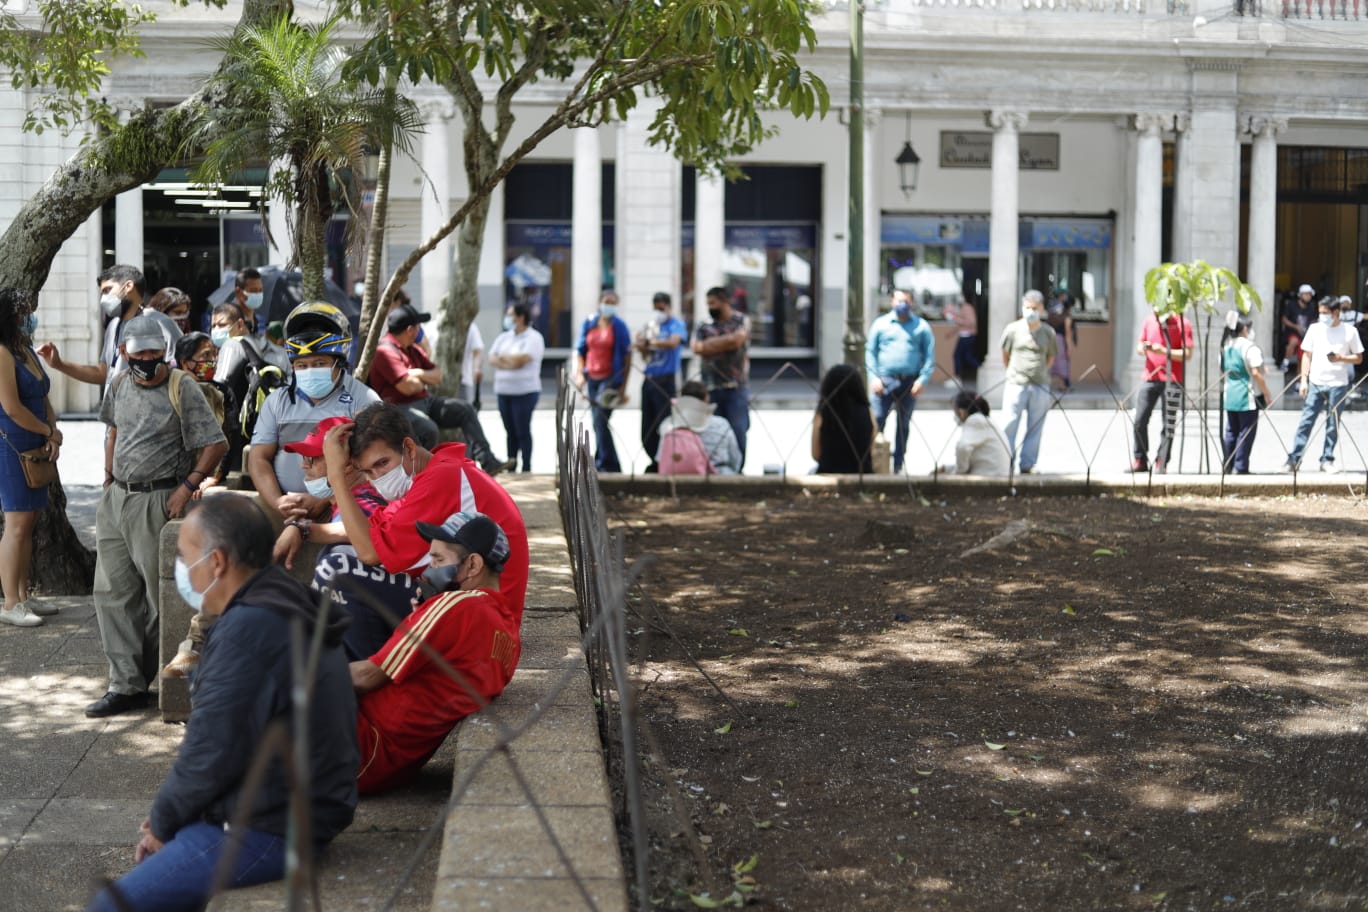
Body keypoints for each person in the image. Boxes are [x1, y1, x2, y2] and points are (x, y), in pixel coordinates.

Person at [85, 496, 358, 912]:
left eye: (184, 555)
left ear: (217, 562)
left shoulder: (250, 629)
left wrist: (162, 823)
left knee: (109, 907)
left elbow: (210, 749)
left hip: (269, 829)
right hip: (295, 808)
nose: (180, 567)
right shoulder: (279, 599)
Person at [88, 314, 227, 718]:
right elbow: (113, 430)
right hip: (118, 498)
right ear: (123, 353)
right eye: (139, 353)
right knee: (112, 593)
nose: (147, 360)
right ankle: (125, 685)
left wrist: (187, 487)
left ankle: (171, 683)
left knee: (158, 597)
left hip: (160, 498)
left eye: (154, 352)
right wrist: (109, 477)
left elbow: (214, 444)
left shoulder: (180, 385)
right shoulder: (118, 383)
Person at [351, 511, 520, 794]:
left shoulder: (459, 605)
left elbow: (367, 676)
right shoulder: (508, 634)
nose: (428, 570)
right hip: (391, 765)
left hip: (360, 744)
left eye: (438, 560)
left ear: (473, 564)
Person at [322, 403, 530, 621]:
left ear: (409, 448)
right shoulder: (426, 475)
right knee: (336, 556)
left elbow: (369, 553)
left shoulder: (441, 478)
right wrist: (302, 529)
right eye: (367, 472)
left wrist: (336, 477)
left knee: (337, 569)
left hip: (485, 618)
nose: (377, 477)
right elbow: (370, 534)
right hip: (472, 603)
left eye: (382, 463)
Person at [271, 416, 416, 661]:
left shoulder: (366, 501)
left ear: (346, 465)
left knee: (336, 562)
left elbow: (364, 533)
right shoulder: (354, 497)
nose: (304, 466)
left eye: (313, 458)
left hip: (400, 633)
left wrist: (302, 528)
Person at [248, 302, 380, 522]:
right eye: (302, 365)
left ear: (339, 363)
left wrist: (324, 499)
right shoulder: (276, 402)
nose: (310, 371)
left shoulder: (363, 399)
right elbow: (259, 457)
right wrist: (278, 502)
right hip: (284, 507)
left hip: (347, 507)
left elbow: (374, 461)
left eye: (319, 363)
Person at [366, 304, 511, 473]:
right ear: (410, 330)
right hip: (400, 408)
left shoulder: (412, 349)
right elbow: (407, 387)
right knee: (428, 429)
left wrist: (418, 373)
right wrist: (421, 380)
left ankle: (487, 460)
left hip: (425, 400)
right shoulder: (384, 352)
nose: (421, 331)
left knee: (464, 409)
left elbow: (438, 375)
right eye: (419, 327)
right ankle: (427, 475)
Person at [0, 289, 61, 628]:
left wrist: (53, 430)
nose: (29, 318)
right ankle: (10, 601)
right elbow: (11, 408)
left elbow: (43, 395)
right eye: (23, 312)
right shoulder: (3, 353)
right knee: (17, 525)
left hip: (37, 443)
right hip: (12, 445)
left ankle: (23, 595)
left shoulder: (26, 351)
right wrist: (46, 431)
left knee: (31, 522)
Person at [36, 264, 182, 395]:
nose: (103, 298)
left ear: (128, 286)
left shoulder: (162, 324)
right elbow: (103, 373)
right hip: (115, 421)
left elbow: (180, 375)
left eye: (108, 290)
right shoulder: (113, 326)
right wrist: (59, 364)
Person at [1285, 296, 1364, 473]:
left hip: (1338, 384)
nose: (1322, 316)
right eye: (1320, 313)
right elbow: (1306, 355)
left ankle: (1326, 459)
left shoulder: (1349, 331)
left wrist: (1340, 358)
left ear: (1336, 313)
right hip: (1316, 382)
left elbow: (1359, 357)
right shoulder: (1314, 329)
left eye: (1325, 313)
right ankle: (1294, 458)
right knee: (1306, 421)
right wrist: (1303, 380)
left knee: (1332, 424)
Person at [865, 290, 935, 474]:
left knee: (903, 425)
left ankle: (897, 465)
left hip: (909, 383)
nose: (901, 304)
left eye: (905, 301)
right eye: (898, 300)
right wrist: (874, 378)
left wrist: (922, 380)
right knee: (877, 421)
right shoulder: (881, 324)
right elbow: (870, 352)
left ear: (911, 303)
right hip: (884, 381)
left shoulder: (921, 326)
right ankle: (872, 462)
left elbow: (929, 356)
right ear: (892, 302)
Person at [691, 286, 751, 467]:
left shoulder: (741, 320)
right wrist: (727, 342)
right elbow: (696, 348)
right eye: (707, 304)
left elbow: (737, 340)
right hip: (710, 387)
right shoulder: (703, 324)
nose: (709, 307)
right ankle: (715, 469)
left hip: (735, 387)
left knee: (738, 430)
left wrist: (709, 345)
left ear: (725, 301)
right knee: (712, 432)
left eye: (713, 303)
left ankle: (738, 471)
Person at [1000, 290, 1057, 474]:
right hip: (1016, 383)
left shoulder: (1048, 332)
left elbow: (1050, 358)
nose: (1030, 311)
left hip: (1040, 384)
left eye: (1034, 308)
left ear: (1041, 309)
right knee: (1009, 424)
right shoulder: (1012, 329)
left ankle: (1028, 464)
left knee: (1035, 426)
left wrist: (1039, 372)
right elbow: (1005, 355)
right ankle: (1005, 462)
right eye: (1027, 307)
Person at [574, 291, 632, 472]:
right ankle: (603, 460)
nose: (610, 305)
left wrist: (623, 387)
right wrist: (580, 374)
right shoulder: (589, 322)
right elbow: (580, 350)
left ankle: (608, 463)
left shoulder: (619, 326)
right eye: (607, 302)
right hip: (592, 377)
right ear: (600, 302)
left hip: (610, 379)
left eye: (613, 302)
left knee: (600, 419)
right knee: (597, 421)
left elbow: (627, 356)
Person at [1131, 307, 1193, 474]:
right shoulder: (1149, 320)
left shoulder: (1182, 323)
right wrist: (1143, 348)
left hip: (1172, 379)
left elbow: (1187, 354)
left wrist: (1164, 351)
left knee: (1169, 423)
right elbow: (1139, 345)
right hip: (1150, 377)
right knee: (1139, 420)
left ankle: (1162, 461)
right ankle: (1140, 459)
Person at [488, 303, 545, 473]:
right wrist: (509, 361)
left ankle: (526, 466)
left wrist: (503, 360)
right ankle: (512, 464)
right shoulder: (504, 337)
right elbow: (491, 358)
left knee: (522, 429)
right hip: (503, 392)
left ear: (520, 317)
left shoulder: (534, 337)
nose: (507, 318)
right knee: (510, 430)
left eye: (510, 315)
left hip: (525, 392)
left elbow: (523, 360)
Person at [637, 291, 687, 473]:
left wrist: (650, 341)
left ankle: (664, 460)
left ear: (668, 306)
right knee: (647, 426)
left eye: (661, 308)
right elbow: (645, 354)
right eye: (655, 308)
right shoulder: (650, 326)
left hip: (666, 380)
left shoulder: (676, 325)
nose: (658, 311)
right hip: (649, 378)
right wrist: (642, 345)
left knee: (664, 424)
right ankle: (653, 459)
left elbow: (673, 343)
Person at [1221, 312, 1273, 475]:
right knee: (1246, 432)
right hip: (1247, 395)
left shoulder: (1226, 346)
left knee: (1231, 431)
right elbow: (1256, 373)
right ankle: (1240, 466)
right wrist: (1266, 393)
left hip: (1230, 394)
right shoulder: (1250, 347)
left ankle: (1228, 464)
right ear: (1244, 329)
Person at [656, 380, 742, 475]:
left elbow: (660, 458)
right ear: (706, 399)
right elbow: (735, 459)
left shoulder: (669, 424)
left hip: (680, 478)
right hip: (719, 475)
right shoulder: (721, 424)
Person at [811, 364, 874, 474]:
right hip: (862, 475)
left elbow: (815, 454)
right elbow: (871, 450)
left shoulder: (822, 414)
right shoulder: (868, 413)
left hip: (828, 474)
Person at [942, 391, 1010, 476]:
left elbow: (963, 447)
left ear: (962, 412)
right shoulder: (985, 421)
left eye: (955, 411)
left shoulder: (975, 421)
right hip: (995, 476)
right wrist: (946, 468)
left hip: (988, 480)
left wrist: (958, 472)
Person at [943, 296, 979, 388]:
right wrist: (951, 333)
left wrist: (954, 317)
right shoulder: (962, 308)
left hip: (967, 336)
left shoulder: (967, 308)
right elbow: (960, 325)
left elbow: (971, 322)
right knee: (967, 357)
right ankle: (981, 368)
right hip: (964, 335)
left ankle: (957, 378)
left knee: (958, 356)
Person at [1280, 284, 1317, 372]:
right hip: (1291, 333)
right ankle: (1285, 363)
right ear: (1300, 295)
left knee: (1302, 358)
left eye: (1310, 294)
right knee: (1294, 341)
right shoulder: (1291, 305)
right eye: (1306, 294)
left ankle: (1298, 382)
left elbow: (1313, 321)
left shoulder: (1311, 308)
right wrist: (1295, 326)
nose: (1308, 296)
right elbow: (1284, 319)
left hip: (1305, 336)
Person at [1046, 289, 1075, 393]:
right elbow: (1068, 332)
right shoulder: (1065, 314)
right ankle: (1062, 385)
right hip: (1059, 340)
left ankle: (1046, 385)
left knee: (1050, 361)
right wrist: (1070, 347)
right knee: (1062, 362)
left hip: (1049, 338)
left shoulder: (1051, 309)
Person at [461, 319, 484, 404]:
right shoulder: (433, 326)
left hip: (463, 380)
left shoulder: (471, 328)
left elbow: (478, 350)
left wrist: (476, 369)